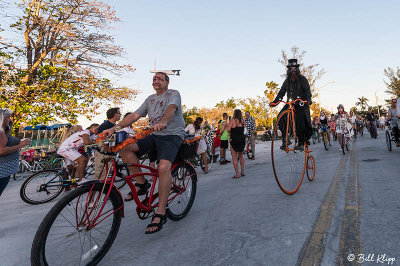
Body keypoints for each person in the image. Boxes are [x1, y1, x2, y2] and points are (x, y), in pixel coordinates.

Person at [103, 72, 185, 234]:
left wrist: (163, 121)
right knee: (125, 148)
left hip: (172, 134)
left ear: (167, 82)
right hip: (154, 134)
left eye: (160, 78)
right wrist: (114, 128)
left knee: (163, 168)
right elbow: (134, 115)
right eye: (154, 79)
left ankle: (161, 211)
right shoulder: (150, 99)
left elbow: (171, 108)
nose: (156, 80)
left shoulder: (173, 94)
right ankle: (142, 183)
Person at [269, 58, 313, 151]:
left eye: (294, 68)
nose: (293, 70)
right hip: (290, 104)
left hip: (300, 103)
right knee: (280, 117)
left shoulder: (302, 79)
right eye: (291, 68)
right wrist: (275, 102)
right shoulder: (287, 81)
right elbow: (281, 93)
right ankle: (286, 139)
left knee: (300, 119)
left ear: (297, 69)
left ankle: (301, 142)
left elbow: (307, 91)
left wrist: (308, 100)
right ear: (288, 70)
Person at [0, 109, 30, 197]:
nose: (10, 120)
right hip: (2, 171)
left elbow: (6, 138)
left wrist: (9, 126)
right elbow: (1, 150)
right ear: (1, 118)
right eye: (8, 118)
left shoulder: (2, 132)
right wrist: (21, 145)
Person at [94, 108, 122, 180]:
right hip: (103, 155)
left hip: (110, 154)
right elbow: (100, 141)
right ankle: (95, 191)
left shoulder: (115, 126)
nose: (121, 114)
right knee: (100, 176)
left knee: (109, 177)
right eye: (119, 113)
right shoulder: (105, 125)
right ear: (114, 115)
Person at [226, 109, 245, 178]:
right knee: (241, 156)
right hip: (242, 139)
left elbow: (228, 130)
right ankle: (242, 172)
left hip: (234, 140)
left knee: (234, 157)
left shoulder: (232, 120)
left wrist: (226, 126)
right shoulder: (243, 121)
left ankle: (237, 174)